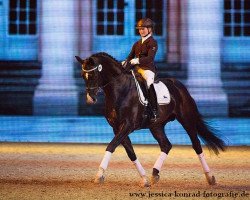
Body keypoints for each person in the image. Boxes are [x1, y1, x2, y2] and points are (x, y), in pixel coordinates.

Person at [122, 18, 159, 121]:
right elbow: (130, 57)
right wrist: (125, 63)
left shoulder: (152, 43)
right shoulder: (137, 43)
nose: (141, 31)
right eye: (139, 29)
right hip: (136, 69)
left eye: (143, 29)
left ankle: (154, 110)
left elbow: (150, 58)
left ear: (150, 29)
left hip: (147, 69)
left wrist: (137, 60)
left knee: (148, 83)